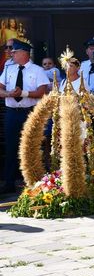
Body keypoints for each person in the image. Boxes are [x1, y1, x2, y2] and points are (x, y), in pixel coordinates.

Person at [0, 39, 49, 193]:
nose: (11, 54)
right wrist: (9, 93)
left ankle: (33, 181)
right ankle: (9, 182)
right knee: (10, 147)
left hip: (29, 113)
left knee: (31, 146)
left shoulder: (37, 70)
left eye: (14, 52)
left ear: (24, 53)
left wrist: (23, 93)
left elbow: (42, 92)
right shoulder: (9, 69)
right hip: (12, 113)